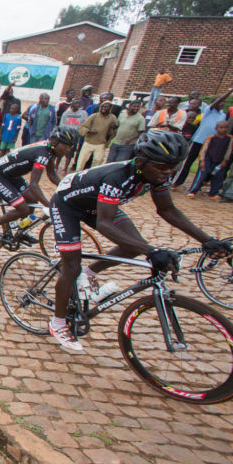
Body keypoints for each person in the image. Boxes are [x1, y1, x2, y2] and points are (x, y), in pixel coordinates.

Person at [47, 130, 232, 351]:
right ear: (142, 161)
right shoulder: (117, 176)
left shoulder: (155, 174)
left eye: (173, 167)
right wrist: (151, 251)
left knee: (132, 246)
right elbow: (105, 224)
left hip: (99, 205)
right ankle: (57, 323)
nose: (168, 172)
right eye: (162, 167)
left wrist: (208, 240)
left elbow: (167, 210)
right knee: (71, 265)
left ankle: (87, 275)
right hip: (68, 206)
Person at [0, 127, 78, 243]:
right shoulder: (43, 154)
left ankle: (22, 231)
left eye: (70, 147)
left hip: (12, 176)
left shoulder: (49, 150)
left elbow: (52, 174)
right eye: (67, 146)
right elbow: (34, 185)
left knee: (32, 200)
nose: (68, 149)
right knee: (23, 208)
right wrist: (48, 205)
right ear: (55, 142)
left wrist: (67, 187)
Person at [173, 87, 233, 189]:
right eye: (220, 101)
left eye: (223, 102)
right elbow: (216, 102)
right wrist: (230, 92)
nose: (221, 103)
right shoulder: (208, 111)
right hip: (198, 140)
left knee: (204, 165)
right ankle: (177, 183)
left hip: (211, 143)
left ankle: (197, 186)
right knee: (187, 162)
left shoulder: (223, 115)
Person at [187, 121, 232, 200]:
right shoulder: (211, 138)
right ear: (216, 128)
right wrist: (202, 160)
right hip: (208, 159)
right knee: (202, 175)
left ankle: (213, 193)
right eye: (221, 127)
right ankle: (193, 191)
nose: (224, 129)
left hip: (220, 161)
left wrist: (225, 160)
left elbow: (229, 150)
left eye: (226, 128)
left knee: (218, 176)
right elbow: (204, 149)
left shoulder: (229, 139)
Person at [74, 101, 118, 171]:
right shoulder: (94, 116)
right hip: (88, 142)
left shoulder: (113, 118)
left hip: (101, 143)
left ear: (110, 109)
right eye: (103, 106)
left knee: (98, 161)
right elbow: (82, 127)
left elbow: (114, 132)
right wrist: (89, 131)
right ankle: (77, 174)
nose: (104, 108)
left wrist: (114, 128)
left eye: (106, 107)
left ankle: (91, 176)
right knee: (81, 161)